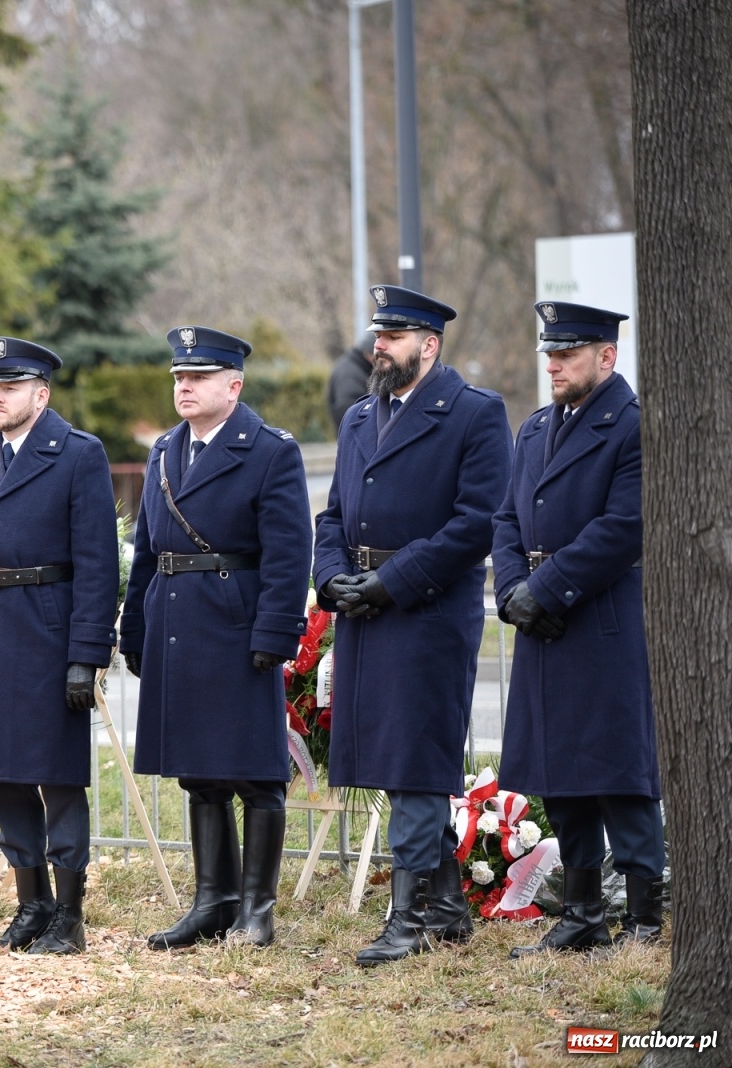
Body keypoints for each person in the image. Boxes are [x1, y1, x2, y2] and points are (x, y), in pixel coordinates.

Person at [313, 285, 510, 965]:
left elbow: (477, 523)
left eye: (393, 336)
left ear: (428, 345)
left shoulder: (474, 413)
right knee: (395, 764)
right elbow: (333, 515)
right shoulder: (360, 417)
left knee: (418, 763)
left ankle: (412, 918)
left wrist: (393, 582)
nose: (379, 346)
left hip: (425, 612)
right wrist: (329, 574)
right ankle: (450, 907)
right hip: (364, 611)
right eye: (377, 334)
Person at [121, 327, 312, 949]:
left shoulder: (269, 451)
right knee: (197, 773)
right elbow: (147, 548)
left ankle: (256, 909)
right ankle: (214, 901)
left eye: (197, 377)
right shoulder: (164, 452)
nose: (184, 386)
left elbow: (289, 553)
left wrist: (277, 631)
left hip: (236, 626)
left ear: (233, 386)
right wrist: (137, 625)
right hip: (177, 622)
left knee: (256, 773)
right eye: (178, 377)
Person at [0, 336, 119, 955]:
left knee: (57, 777)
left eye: (10, 388)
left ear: (41, 394)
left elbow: (96, 565)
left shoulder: (76, 454)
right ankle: (30, 905)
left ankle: (69, 914)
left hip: (46, 627)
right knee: (2, 776)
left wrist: (84, 656)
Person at [492, 301, 664, 956]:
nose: (554, 363)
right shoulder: (536, 429)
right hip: (541, 618)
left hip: (603, 618)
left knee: (620, 774)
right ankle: (583, 916)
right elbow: (506, 520)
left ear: (607, 357)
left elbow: (623, 528)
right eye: (550, 353)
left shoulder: (632, 426)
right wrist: (511, 589)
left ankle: (644, 923)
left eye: (567, 353)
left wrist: (547, 588)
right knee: (560, 773)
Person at [327, 332, 376, 434]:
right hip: (354, 437)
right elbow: (347, 407)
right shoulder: (350, 373)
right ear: (368, 354)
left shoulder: (354, 366)